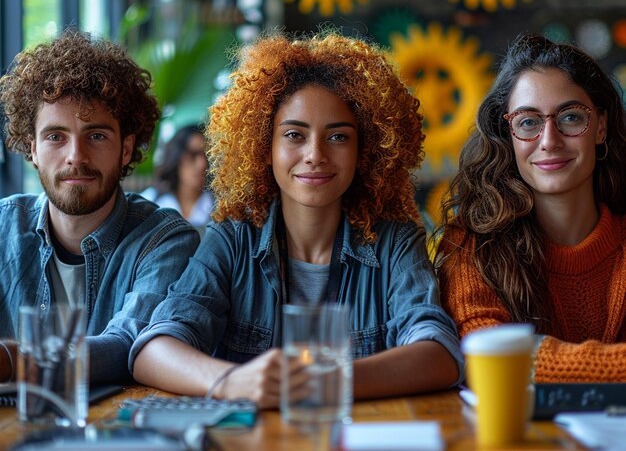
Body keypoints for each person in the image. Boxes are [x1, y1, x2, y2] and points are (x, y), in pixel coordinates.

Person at [130, 32, 463, 407]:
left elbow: (439, 354)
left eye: (338, 137)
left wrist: (320, 380)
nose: (314, 155)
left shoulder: (394, 240)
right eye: (294, 135)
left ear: (364, 152)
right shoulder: (233, 238)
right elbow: (153, 350)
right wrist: (232, 382)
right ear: (264, 148)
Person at [0, 28, 200, 384]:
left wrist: (11, 360)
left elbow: (130, 346)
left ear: (126, 148)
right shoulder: (4, 228)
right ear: (32, 148)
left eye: (96, 136)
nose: (76, 156)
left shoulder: (164, 239)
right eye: (55, 137)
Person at [436, 33, 626, 382]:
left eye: (570, 117)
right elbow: (490, 357)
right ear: (507, 134)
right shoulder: (473, 245)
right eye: (528, 122)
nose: (549, 140)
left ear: (600, 126)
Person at [142, 124, 214, 231]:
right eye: (193, 154)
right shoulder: (150, 202)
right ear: (176, 156)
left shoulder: (219, 208)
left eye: (206, 155)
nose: (202, 164)